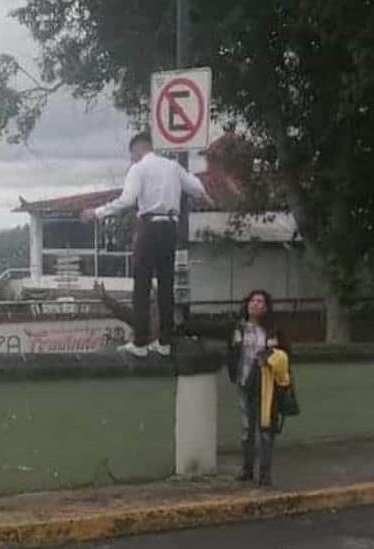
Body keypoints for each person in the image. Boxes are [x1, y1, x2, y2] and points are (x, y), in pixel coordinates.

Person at [81, 132, 213, 357]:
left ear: (138, 149)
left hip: (149, 226)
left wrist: (97, 212)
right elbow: (197, 188)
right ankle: (164, 341)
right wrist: (206, 196)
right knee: (166, 285)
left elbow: (128, 199)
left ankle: (140, 342)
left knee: (141, 286)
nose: (132, 159)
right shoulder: (173, 167)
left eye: (132, 154)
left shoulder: (139, 168)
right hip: (170, 227)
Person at [227, 290, 290, 486]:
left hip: (266, 385)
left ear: (266, 306)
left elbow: (285, 354)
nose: (255, 304)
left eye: (260, 301)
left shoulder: (272, 329)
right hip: (244, 382)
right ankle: (247, 469)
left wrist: (270, 358)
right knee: (247, 429)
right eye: (252, 301)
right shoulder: (239, 328)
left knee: (265, 429)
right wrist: (233, 373)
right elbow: (232, 351)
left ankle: (264, 474)